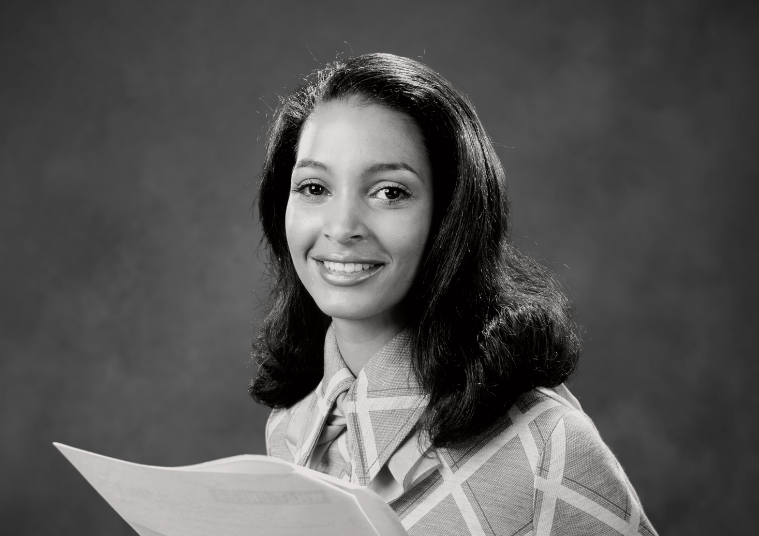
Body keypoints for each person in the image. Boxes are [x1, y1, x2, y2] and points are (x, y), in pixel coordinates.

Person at [250, 53, 656, 536]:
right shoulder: (291, 426)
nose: (341, 228)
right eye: (314, 186)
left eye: (390, 192)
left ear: (451, 216)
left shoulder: (546, 446)